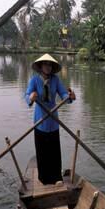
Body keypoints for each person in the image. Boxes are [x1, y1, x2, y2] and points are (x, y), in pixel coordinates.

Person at [25, 54, 76, 185]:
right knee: (42, 150)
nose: (48, 67)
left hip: (53, 120)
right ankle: (44, 179)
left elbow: (63, 93)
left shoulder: (55, 80)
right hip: (40, 121)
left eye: (50, 65)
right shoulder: (34, 80)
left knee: (54, 150)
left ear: (52, 67)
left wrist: (69, 97)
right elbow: (26, 96)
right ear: (41, 66)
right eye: (45, 64)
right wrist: (31, 97)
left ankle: (56, 178)